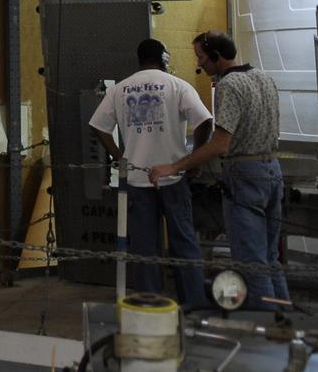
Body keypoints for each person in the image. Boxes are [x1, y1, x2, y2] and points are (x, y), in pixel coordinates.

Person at [149, 31, 290, 308]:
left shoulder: (229, 85)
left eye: (202, 58)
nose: (200, 66)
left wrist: (175, 166)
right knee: (270, 258)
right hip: (272, 170)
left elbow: (221, 144)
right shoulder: (264, 77)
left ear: (216, 56)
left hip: (245, 175)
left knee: (251, 264)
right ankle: (284, 320)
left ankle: (264, 332)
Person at [89, 39, 212, 306]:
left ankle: (151, 304)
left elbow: (98, 126)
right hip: (173, 177)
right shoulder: (177, 85)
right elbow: (205, 121)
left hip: (136, 178)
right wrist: (195, 157)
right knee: (184, 242)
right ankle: (193, 304)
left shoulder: (120, 89)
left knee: (145, 248)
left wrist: (119, 156)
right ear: (163, 58)